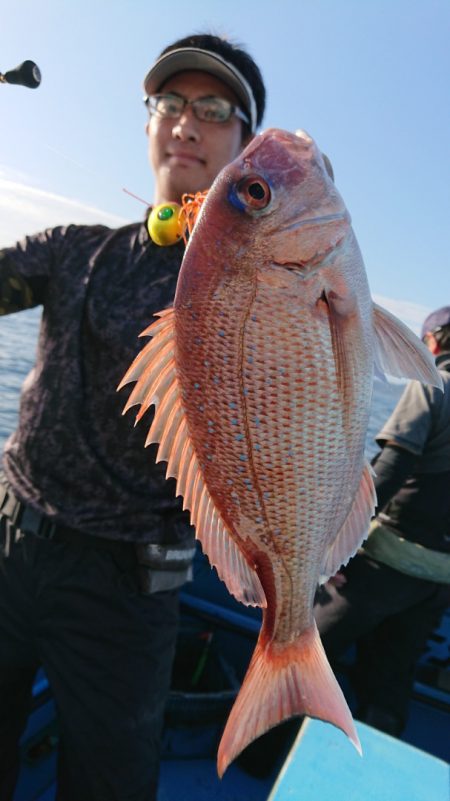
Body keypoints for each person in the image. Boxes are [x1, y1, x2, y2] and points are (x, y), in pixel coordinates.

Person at [0, 33, 266, 801]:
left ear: (246, 146)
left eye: (213, 110)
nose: (186, 122)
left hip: (126, 592)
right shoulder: (73, 248)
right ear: (149, 122)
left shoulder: (257, 296)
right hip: (9, 540)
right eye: (170, 103)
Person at [314, 306, 450, 737]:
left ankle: (260, 761)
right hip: (438, 582)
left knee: (307, 659)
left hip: (386, 564)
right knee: (389, 681)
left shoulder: (434, 385)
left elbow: (391, 469)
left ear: (432, 342)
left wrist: (335, 541)